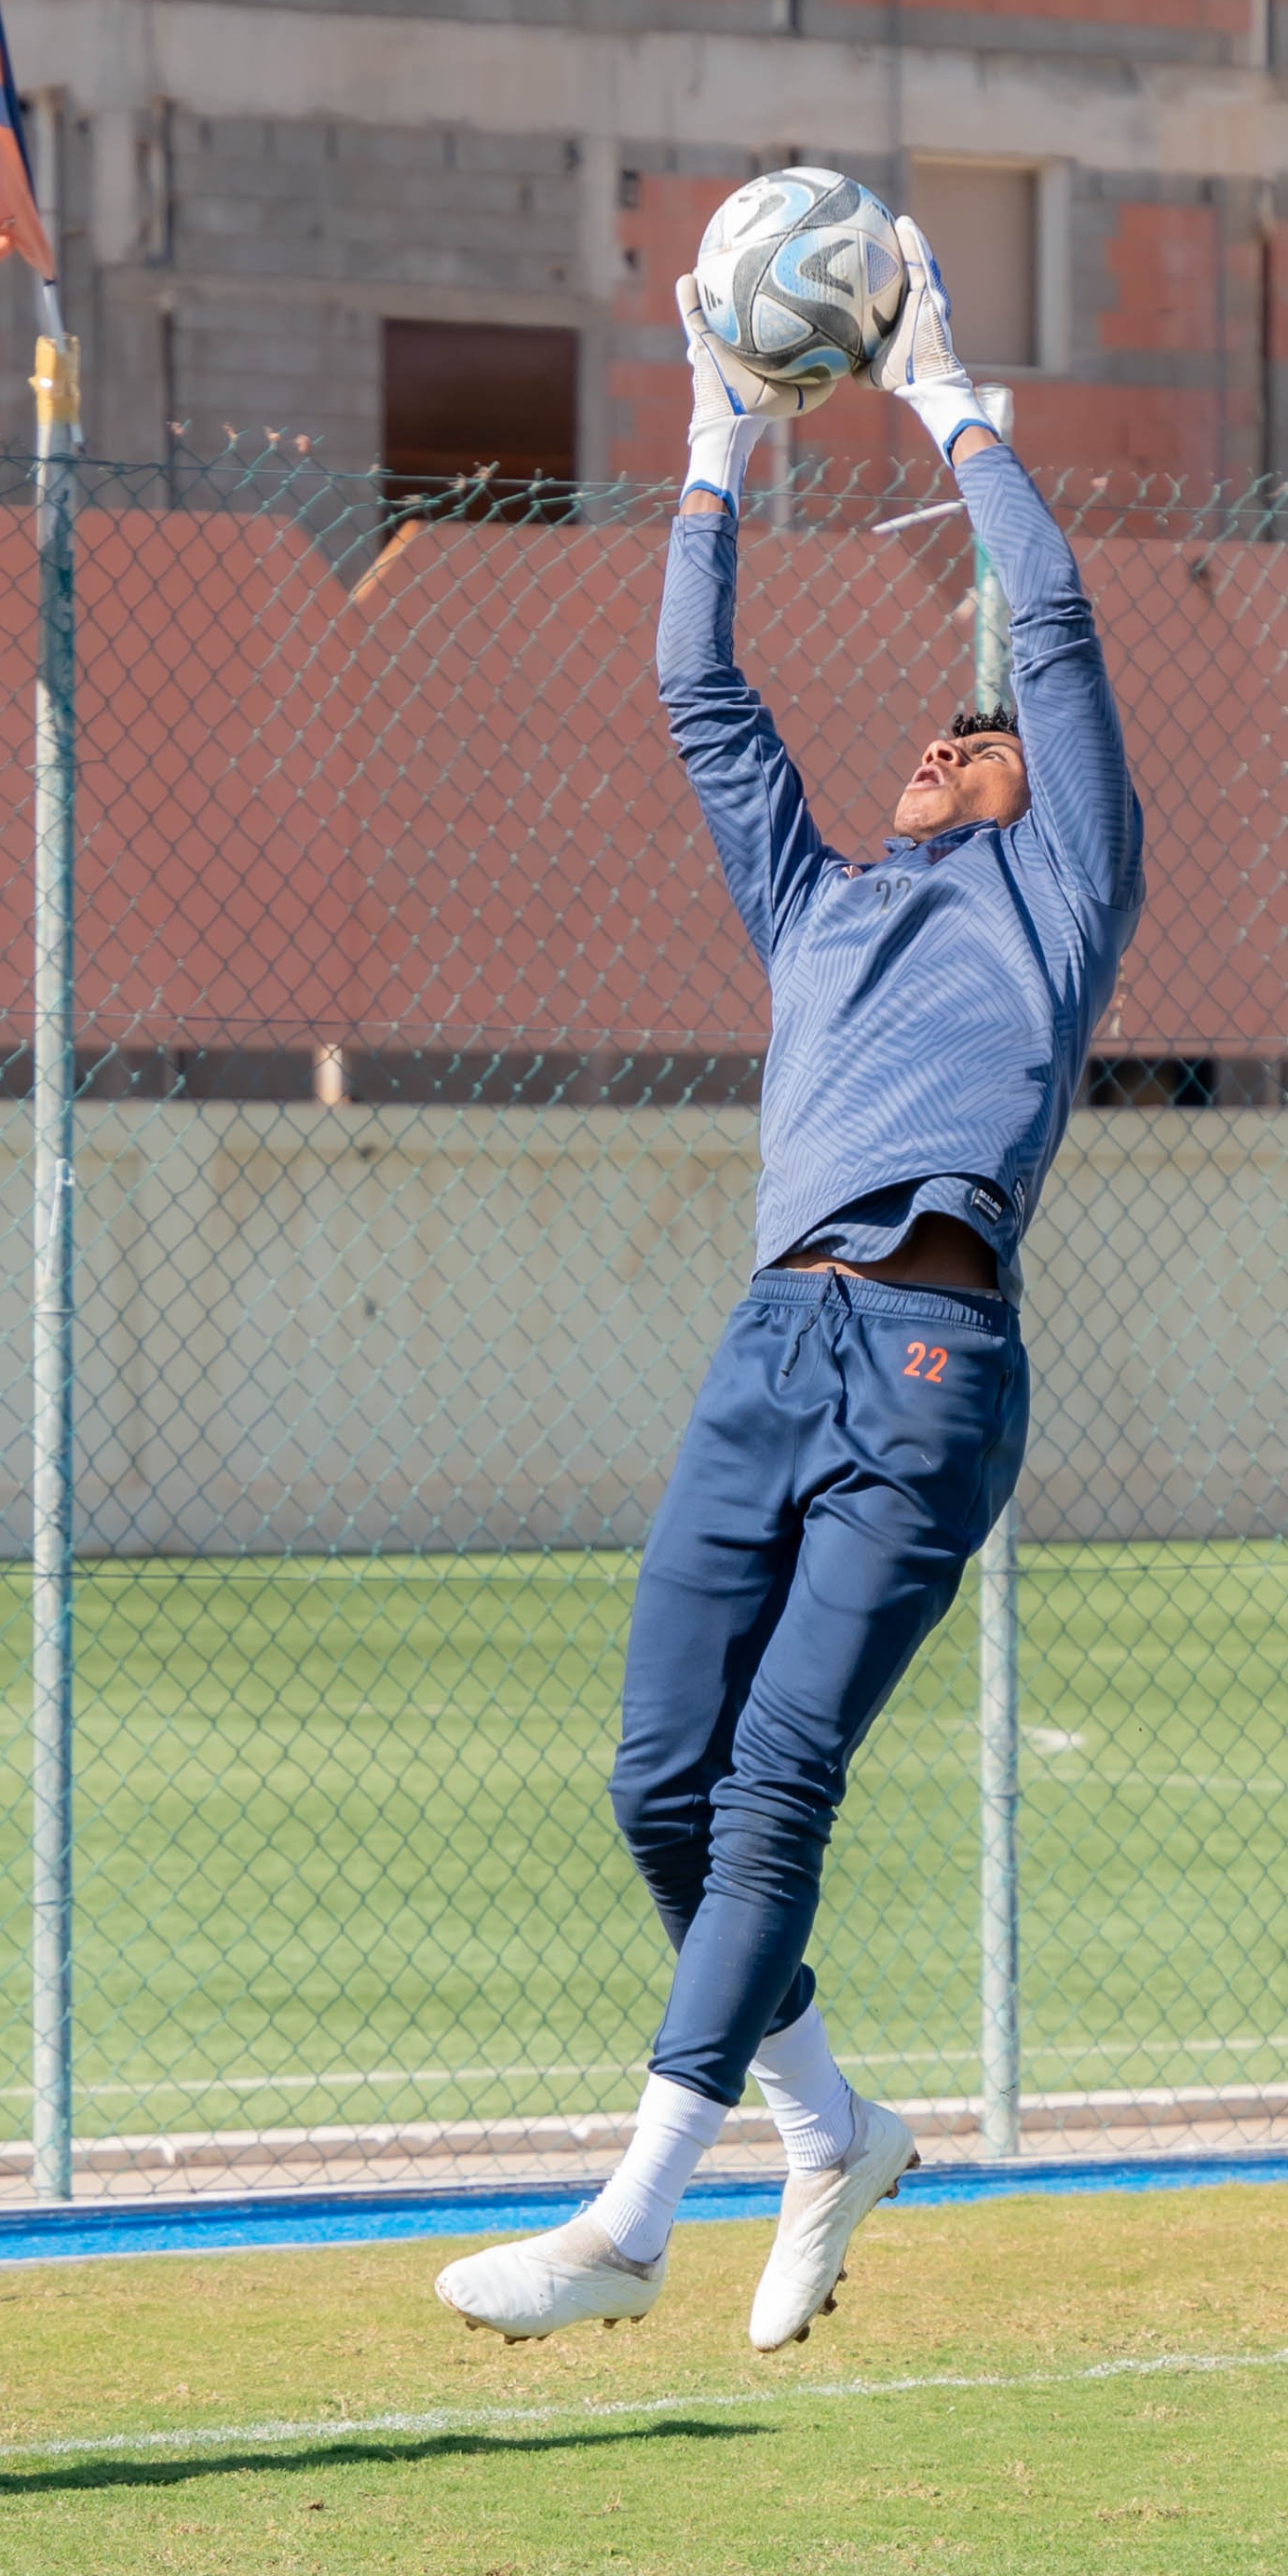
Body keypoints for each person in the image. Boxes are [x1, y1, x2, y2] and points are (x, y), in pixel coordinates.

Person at [436, 221, 1145, 2354]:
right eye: (935, 730)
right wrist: (713, 449)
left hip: (931, 1358)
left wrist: (943, 392)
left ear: (1034, 802)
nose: (951, 735)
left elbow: (1057, 624)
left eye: (981, 733)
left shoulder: (1062, 894)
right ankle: (827, 2121)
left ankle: (637, 2212)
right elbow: (693, 687)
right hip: (774, 1344)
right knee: (660, 1779)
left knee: (778, 1780)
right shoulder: (819, 900)